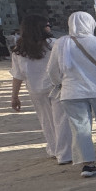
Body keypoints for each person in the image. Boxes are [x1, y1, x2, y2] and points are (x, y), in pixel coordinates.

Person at [47, 11, 96, 178]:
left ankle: (88, 164)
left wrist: (60, 83)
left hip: (71, 92)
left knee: (80, 127)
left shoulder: (61, 43)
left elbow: (52, 69)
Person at [9, 15, 72, 164]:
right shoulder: (55, 44)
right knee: (62, 120)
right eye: (47, 25)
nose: (49, 27)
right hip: (57, 87)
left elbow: (17, 75)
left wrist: (14, 96)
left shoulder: (19, 49)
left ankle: (54, 148)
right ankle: (65, 153)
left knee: (46, 120)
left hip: (35, 89)